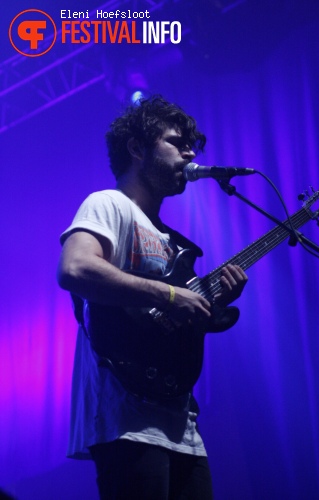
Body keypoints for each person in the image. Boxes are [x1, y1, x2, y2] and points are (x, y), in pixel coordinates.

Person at [57, 95, 248, 499]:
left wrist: (211, 306)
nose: (190, 152)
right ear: (137, 148)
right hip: (126, 419)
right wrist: (169, 294)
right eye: (177, 142)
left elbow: (175, 323)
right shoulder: (108, 203)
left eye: (190, 144)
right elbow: (75, 269)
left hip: (181, 424)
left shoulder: (172, 239)